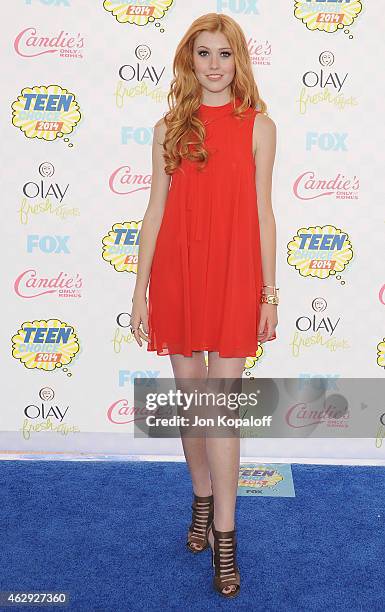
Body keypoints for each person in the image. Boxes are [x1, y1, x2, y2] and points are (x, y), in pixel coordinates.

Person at [130, 12, 278, 599]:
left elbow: (264, 214)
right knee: (193, 406)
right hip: (178, 273)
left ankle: (225, 535)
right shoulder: (168, 128)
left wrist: (269, 290)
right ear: (188, 63)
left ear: (238, 60)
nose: (214, 66)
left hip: (235, 275)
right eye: (204, 55)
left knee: (222, 409)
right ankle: (200, 496)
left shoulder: (259, 126)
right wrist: (140, 287)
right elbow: (154, 211)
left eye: (224, 54)